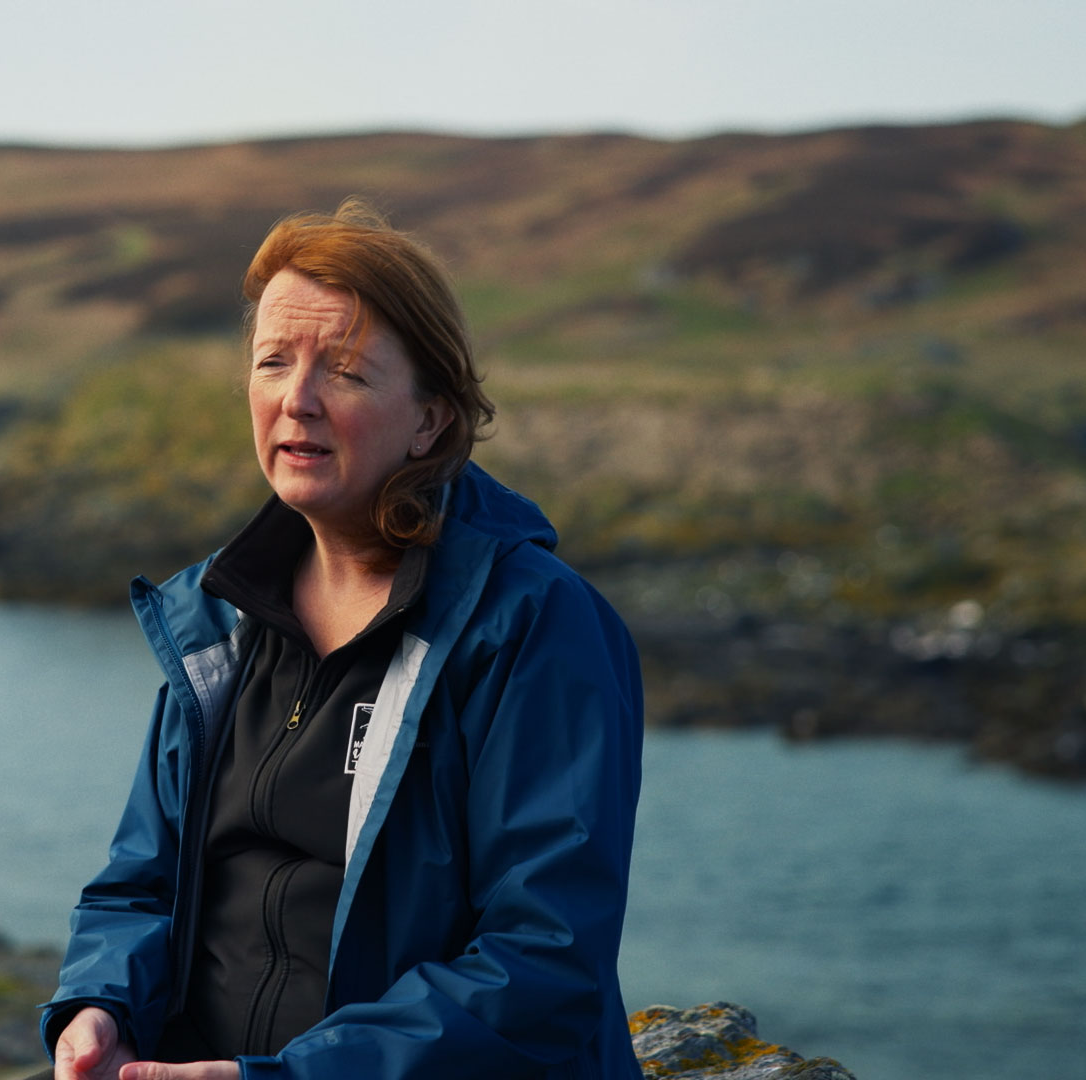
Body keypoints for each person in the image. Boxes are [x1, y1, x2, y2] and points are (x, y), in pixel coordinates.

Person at [35, 200, 645, 1080]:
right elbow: (139, 882)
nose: (298, 398)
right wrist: (100, 1006)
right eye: (273, 361)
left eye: (347, 372)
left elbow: (545, 965)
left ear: (431, 420)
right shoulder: (218, 617)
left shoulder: (534, 625)